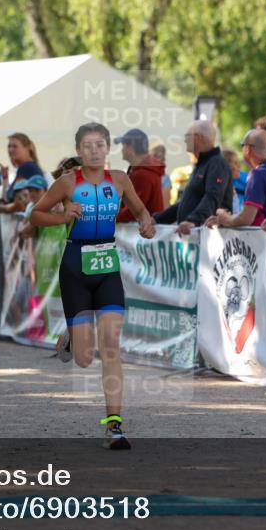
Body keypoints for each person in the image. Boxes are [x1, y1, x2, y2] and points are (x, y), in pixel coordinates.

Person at [29, 122, 156, 449]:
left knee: (111, 343)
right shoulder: (67, 183)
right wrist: (64, 215)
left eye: (100, 145)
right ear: (79, 150)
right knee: (85, 357)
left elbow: (142, 211)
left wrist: (146, 224)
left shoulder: (121, 180)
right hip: (75, 267)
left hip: (107, 266)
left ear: (107, 149)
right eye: (88, 146)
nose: (95, 151)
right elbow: (36, 215)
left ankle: (114, 424)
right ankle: (71, 337)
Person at [153, 120, 233, 236]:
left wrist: (193, 220)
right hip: (194, 236)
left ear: (199, 138)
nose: (185, 140)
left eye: (187, 136)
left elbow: (212, 197)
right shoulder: (202, 164)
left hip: (209, 239)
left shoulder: (217, 164)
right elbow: (186, 202)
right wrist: (157, 219)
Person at [205, 129, 266, 228]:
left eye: (242, 145)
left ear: (248, 149)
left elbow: (246, 219)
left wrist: (225, 219)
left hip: (262, 237)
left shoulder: (257, 175)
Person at [114, 128, 165, 221]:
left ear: (130, 148)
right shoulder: (144, 170)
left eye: (123, 146)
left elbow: (133, 211)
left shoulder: (142, 174)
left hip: (140, 232)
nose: (121, 150)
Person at [0, 132, 46, 212]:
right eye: (9, 146)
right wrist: (5, 179)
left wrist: (4, 208)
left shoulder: (27, 168)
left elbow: (21, 203)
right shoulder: (26, 167)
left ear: (27, 148)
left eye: (15, 146)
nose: (10, 150)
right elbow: (10, 197)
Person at [149, 142, 172, 207]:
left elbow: (165, 204)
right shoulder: (140, 174)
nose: (157, 159)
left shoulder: (165, 178)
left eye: (159, 156)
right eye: (155, 156)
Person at [224, 149, 246, 214]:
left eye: (239, 163)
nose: (239, 166)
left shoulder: (246, 178)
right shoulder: (220, 187)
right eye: (235, 163)